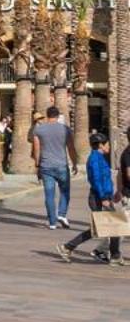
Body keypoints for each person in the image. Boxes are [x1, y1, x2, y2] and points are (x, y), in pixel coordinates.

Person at [61, 132, 122, 265]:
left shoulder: (99, 157)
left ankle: (68, 247)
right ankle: (115, 256)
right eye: (107, 144)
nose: (109, 147)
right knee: (112, 226)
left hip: (104, 197)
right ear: (101, 145)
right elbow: (96, 180)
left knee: (101, 228)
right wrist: (104, 198)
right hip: (99, 198)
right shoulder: (95, 159)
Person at [29, 103, 73, 229]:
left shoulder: (39, 129)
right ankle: (62, 214)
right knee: (65, 191)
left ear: (47, 116)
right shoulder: (65, 129)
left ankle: (52, 222)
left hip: (46, 166)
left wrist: (37, 164)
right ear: (58, 116)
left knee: (49, 194)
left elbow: (36, 149)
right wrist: (74, 163)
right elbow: (71, 148)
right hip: (62, 165)